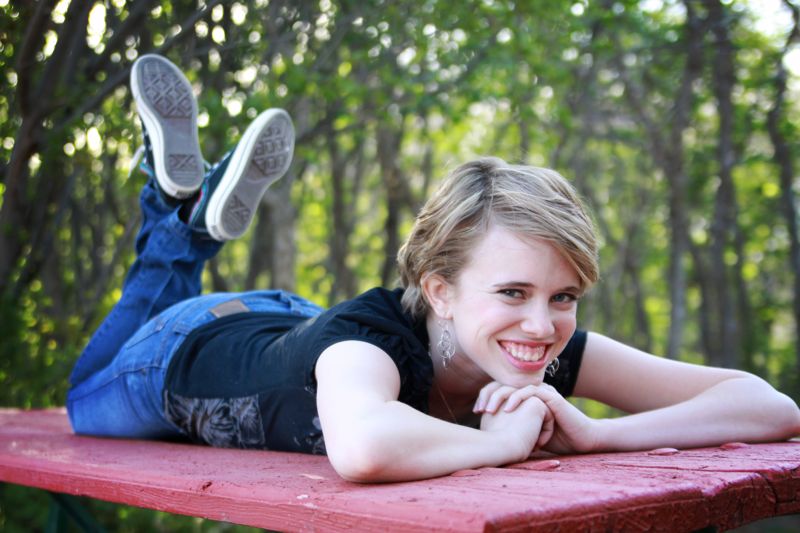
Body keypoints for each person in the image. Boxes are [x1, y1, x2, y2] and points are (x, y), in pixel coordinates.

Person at [67, 54, 800, 483]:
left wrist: (596, 433)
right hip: (179, 350)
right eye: (513, 290)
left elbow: (769, 407)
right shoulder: (367, 346)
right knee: (80, 404)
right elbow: (363, 447)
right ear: (439, 290)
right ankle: (172, 219)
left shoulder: (531, 342)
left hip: (289, 322)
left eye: (565, 295)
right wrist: (497, 445)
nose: (543, 325)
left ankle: (182, 215)